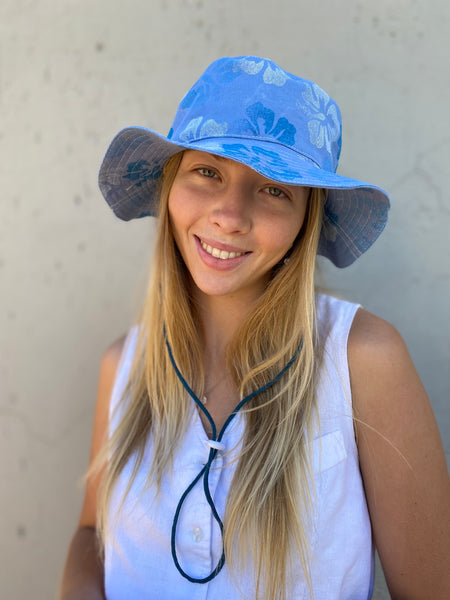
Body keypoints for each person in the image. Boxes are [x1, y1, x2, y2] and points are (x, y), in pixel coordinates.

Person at [60, 56, 450, 600]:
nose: (230, 215)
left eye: (274, 189)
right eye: (208, 171)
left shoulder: (362, 359)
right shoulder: (124, 364)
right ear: (172, 185)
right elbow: (90, 535)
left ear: (305, 220)